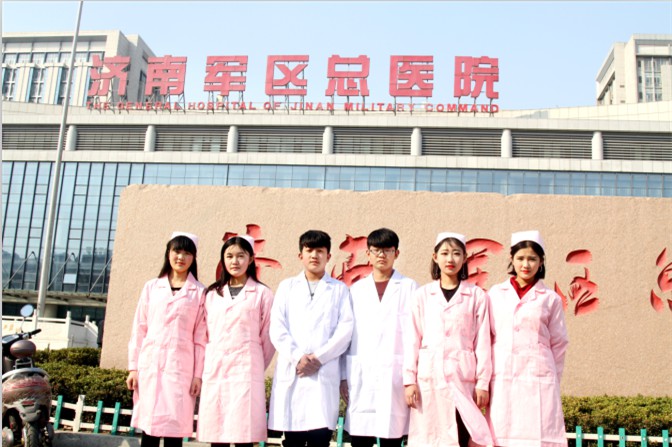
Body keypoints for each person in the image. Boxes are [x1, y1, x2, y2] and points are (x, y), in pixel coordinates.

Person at [403, 232, 492, 447]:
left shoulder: (477, 296)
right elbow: (412, 340)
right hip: (429, 378)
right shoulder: (422, 295)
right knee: (430, 438)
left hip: (463, 378)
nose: (450, 259)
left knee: (463, 433)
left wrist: (483, 383)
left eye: (456, 253)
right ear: (435, 257)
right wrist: (409, 380)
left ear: (465, 258)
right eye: (444, 253)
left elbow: (483, 343)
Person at [268, 230, 354, 447]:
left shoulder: (340, 290)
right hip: (294, 371)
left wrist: (318, 358)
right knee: (293, 440)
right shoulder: (287, 287)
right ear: (301, 255)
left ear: (328, 256)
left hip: (323, 373)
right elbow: (277, 327)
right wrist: (298, 357)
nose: (314, 255)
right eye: (309, 250)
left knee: (320, 438)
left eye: (320, 251)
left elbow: (345, 330)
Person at [486, 230, 569, 447]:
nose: (526, 264)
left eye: (532, 259)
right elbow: (486, 337)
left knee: (537, 434)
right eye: (520, 258)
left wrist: (552, 376)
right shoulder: (495, 294)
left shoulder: (550, 299)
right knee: (501, 433)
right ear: (511, 259)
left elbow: (559, 343)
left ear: (541, 262)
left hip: (539, 378)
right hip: (503, 374)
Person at [127, 231, 207, 447]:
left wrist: (197, 375)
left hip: (181, 369)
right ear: (168, 253)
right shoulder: (152, 287)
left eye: (187, 253)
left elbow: (201, 338)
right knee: (149, 429)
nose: (181, 257)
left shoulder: (200, 292)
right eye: (176, 251)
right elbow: (139, 329)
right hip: (150, 366)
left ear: (194, 258)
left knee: (174, 430)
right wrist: (133, 368)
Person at [340, 228, 418, 447]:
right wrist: (343, 376)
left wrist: (412, 378)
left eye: (387, 250)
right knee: (360, 438)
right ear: (368, 254)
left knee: (391, 437)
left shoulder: (410, 288)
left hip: (395, 374)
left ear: (396, 253)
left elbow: (416, 335)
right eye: (376, 250)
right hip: (361, 373)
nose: (382, 255)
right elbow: (346, 335)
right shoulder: (356, 290)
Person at [197, 235, 275, 447]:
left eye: (241, 256)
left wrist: (254, 363)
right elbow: (204, 335)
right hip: (217, 369)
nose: (235, 261)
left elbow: (268, 337)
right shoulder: (211, 294)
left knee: (243, 435)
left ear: (251, 259)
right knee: (218, 435)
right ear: (223, 259)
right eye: (229, 256)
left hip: (246, 371)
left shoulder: (262, 293)